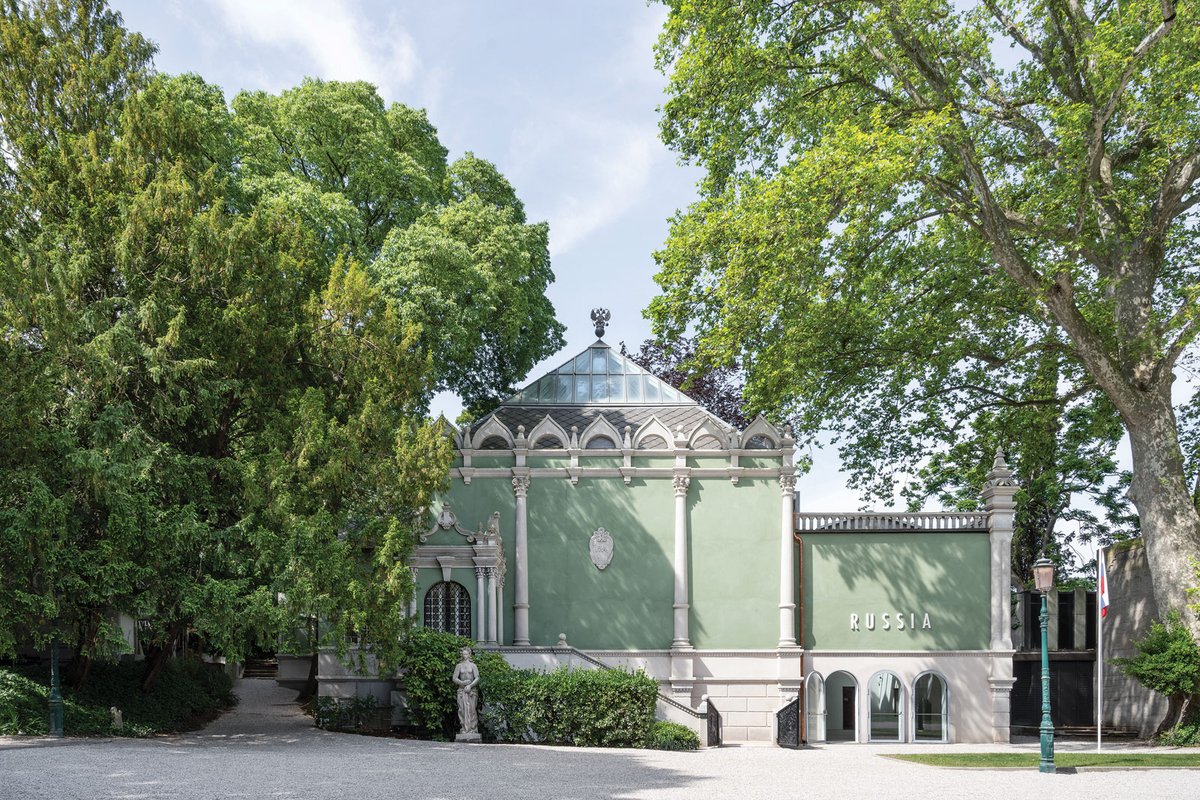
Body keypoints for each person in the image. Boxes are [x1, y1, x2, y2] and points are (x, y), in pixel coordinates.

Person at [452, 647, 481, 735]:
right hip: (462, 690)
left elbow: (477, 677)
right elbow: (454, 678)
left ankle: (473, 728)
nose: (465, 656)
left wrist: (470, 685)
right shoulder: (459, 666)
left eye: (466, 654)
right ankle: (464, 728)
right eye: (463, 654)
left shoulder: (473, 665)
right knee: (462, 710)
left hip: (472, 691)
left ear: (469, 655)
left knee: (472, 710)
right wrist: (462, 683)